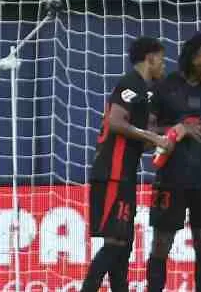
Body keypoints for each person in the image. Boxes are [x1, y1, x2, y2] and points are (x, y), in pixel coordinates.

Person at [81, 38, 169, 292]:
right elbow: (116, 122)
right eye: (161, 59)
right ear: (150, 57)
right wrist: (154, 137)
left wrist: (170, 134)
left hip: (125, 174)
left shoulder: (144, 90)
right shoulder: (129, 83)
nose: (163, 65)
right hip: (112, 174)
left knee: (124, 243)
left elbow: (140, 139)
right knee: (115, 242)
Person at [146, 33, 201, 292]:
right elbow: (147, 134)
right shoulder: (165, 88)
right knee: (162, 242)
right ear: (194, 59)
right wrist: (179, 128)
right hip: (171, 178)